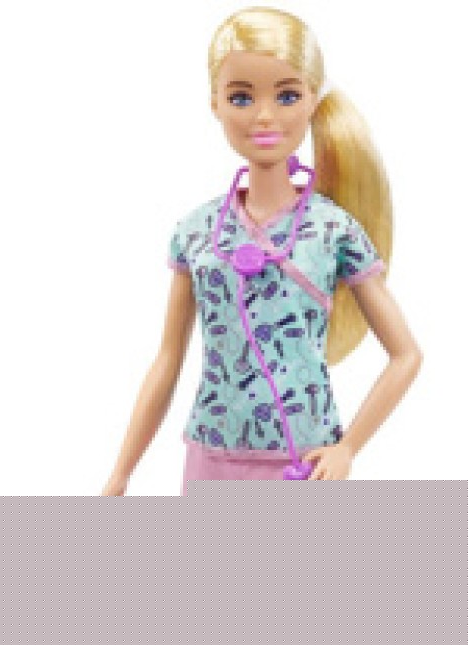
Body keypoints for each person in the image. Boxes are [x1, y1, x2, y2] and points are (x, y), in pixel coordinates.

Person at [101, 5, 423, 496]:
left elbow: (406, 355)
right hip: (212, 455)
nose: (264, 115)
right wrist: (121, 472)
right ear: (215, 103)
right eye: (241, 97)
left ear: (313, 100)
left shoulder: (333, 230)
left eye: (287, 95)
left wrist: (347, 448)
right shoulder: (196, 232)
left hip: (304, 459)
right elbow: (168, 360)